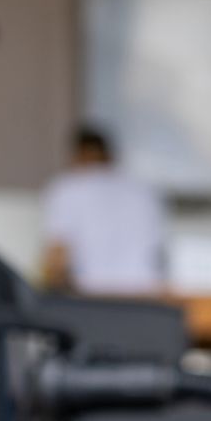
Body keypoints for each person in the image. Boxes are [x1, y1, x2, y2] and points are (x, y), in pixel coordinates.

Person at [42, 126, 167, 296]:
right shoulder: (144, 191)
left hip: (95, 299)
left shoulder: (68, 188)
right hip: (147, 297)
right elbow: (159, 253)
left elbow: (57, 258)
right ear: (109, 154)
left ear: (78, 155)